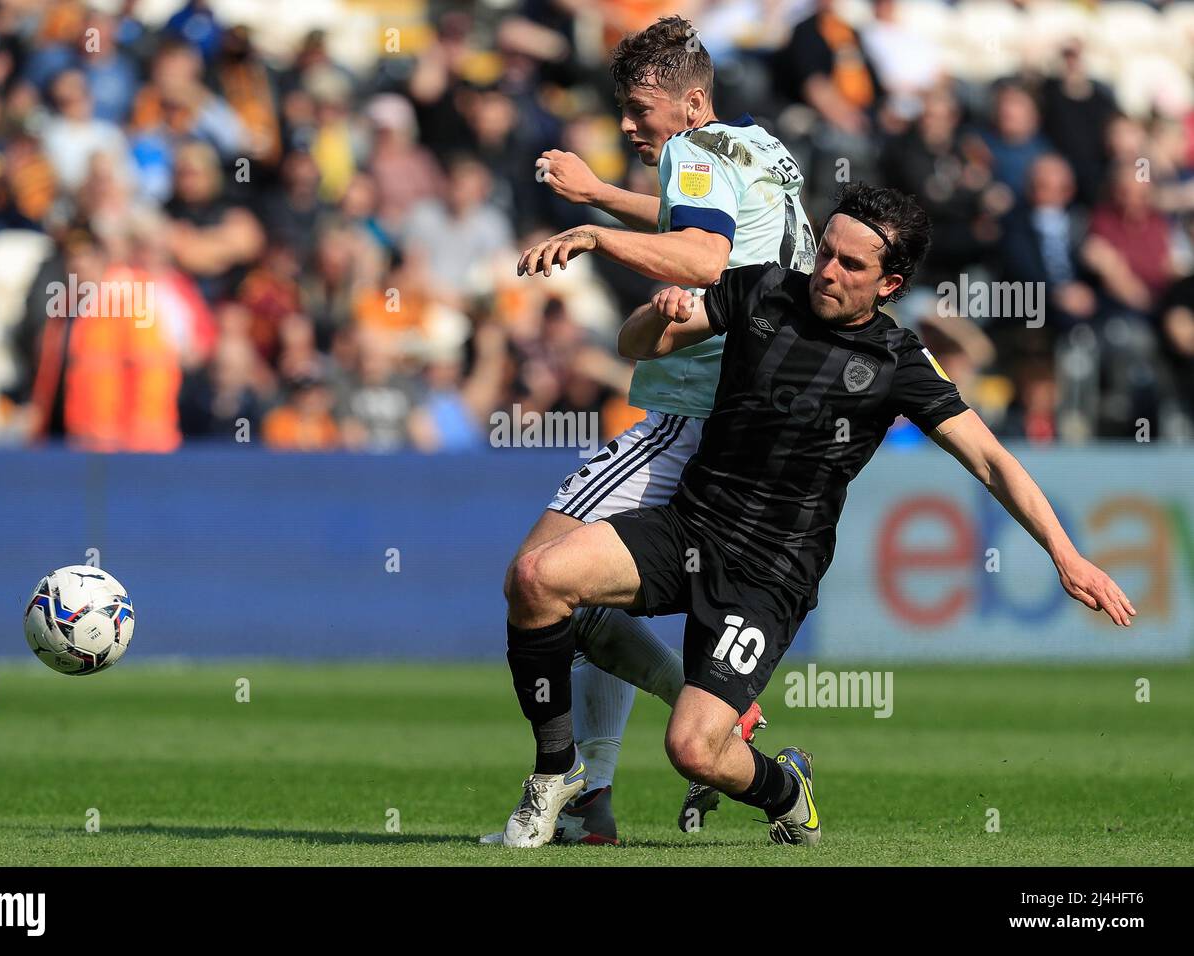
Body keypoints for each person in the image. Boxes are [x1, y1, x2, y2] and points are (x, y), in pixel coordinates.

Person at [496, 183, 1136, 848]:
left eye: (850, 265)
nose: (826, 271)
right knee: (537, 578)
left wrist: (1066, 554)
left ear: (890, 283)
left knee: (692, 750)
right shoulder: (762, 290)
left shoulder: (899, 362)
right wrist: (660, 315)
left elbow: (993, 462)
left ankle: (785, 789)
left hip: (769, 574)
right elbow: (637, 345)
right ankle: (555, 772)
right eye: (825, 251)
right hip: (688, 527)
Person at [485, 15, 815, 846]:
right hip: (757, 432)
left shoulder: (691, 150)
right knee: (566, 592)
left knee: (535, 584)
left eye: (639, 109)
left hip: (685, 420)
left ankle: (579, 777)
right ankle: (592, 800)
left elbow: (704, 257)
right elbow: (708, 222)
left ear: (691, 102)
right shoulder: (759, 148)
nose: (630, 126)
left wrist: (596, 233)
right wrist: (601, 194)